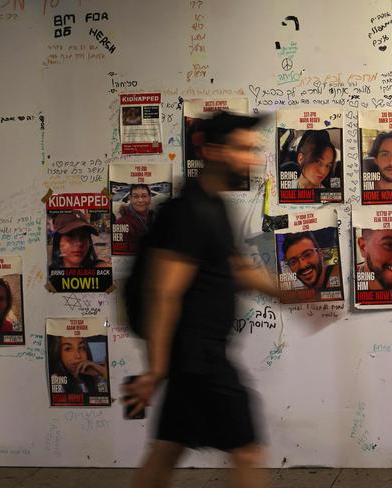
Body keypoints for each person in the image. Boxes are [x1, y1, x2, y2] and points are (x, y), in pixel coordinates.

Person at [122, 111, 282, 488]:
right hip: (200, 359)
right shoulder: (189, 212)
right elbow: (163, 293)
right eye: (243, 149)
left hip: (193, 359)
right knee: (247, 450)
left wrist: (294, 295)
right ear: (212, 151)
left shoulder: (214, 206)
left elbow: (236, 269)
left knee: (167, 448)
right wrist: (156, 370)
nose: (253, 158)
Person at [115, 184, 154, 252]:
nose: (140, 200)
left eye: (144, 196)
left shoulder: (155, 217)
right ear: (130, 198)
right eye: (135, 196)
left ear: (150, 197)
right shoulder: (121, 222)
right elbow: (120, 250)